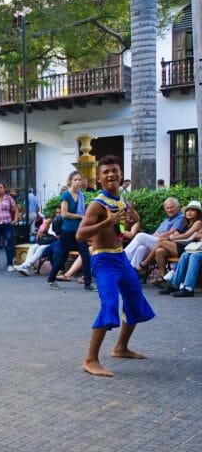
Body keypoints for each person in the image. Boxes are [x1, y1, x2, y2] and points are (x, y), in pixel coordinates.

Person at [76, 156, 154, 377]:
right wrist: (108, 222)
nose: (111, 174)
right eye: (106, 172)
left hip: (120, 258)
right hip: (103, 260)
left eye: (115, 171)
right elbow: (80, 234)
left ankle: (121, 348)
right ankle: (90, 360)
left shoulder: (122, 199)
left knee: (135, 301)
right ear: (99, 178)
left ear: (121, 175)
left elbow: (129, 224)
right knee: (109, 304)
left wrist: (134, 217)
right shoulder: (97, 204)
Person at [47, 171, 94, 291]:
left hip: (80, 230)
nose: (78, 182)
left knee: (85, 255)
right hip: (67, 231)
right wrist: (79, 216)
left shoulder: (82, 196)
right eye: (75, 180)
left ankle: (87, 283)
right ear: (70, 181)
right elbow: (64, 214)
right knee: (62, 256)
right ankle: (51, 279)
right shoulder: (66, 196)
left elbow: (84, 213)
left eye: (79, 180)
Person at [123, 197, 185, 271]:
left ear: (178, 207)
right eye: (167, 208)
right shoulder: (166, 220)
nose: (169, 210)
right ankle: (131, 270)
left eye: (172, 207)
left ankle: (121, 258)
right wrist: (150, 237)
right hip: (156, 240)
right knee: (141, 248)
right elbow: (155, 233)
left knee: (140, 236)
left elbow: (170, 232)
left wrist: (155, 236)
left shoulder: (181, 218)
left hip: (165, 242)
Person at [147, 201, 202, 283]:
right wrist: (175, 234)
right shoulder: (185, 224)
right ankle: (164, 276)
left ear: (198, 213)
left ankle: (145, 263)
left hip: (188, 249)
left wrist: (170, 238)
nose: (189, 212)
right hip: (179, 246)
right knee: (159, 251)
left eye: (193, 210)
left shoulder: (198, 222)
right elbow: (177, 233)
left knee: (161, 243)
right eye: (188, 210)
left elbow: (186, 236)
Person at [15, 208, 60, 275]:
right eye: (57, 213)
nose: (58, 215)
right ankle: (26, 268)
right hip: (46, 239)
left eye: (60, 213)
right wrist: (46, 227)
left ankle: (25, 266)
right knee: (33, 247)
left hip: (53, 242)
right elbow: (46, 231)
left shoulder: (64, 222)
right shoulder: (52, 221)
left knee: (40, 249)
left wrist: (57, 236)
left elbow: (61, 235)